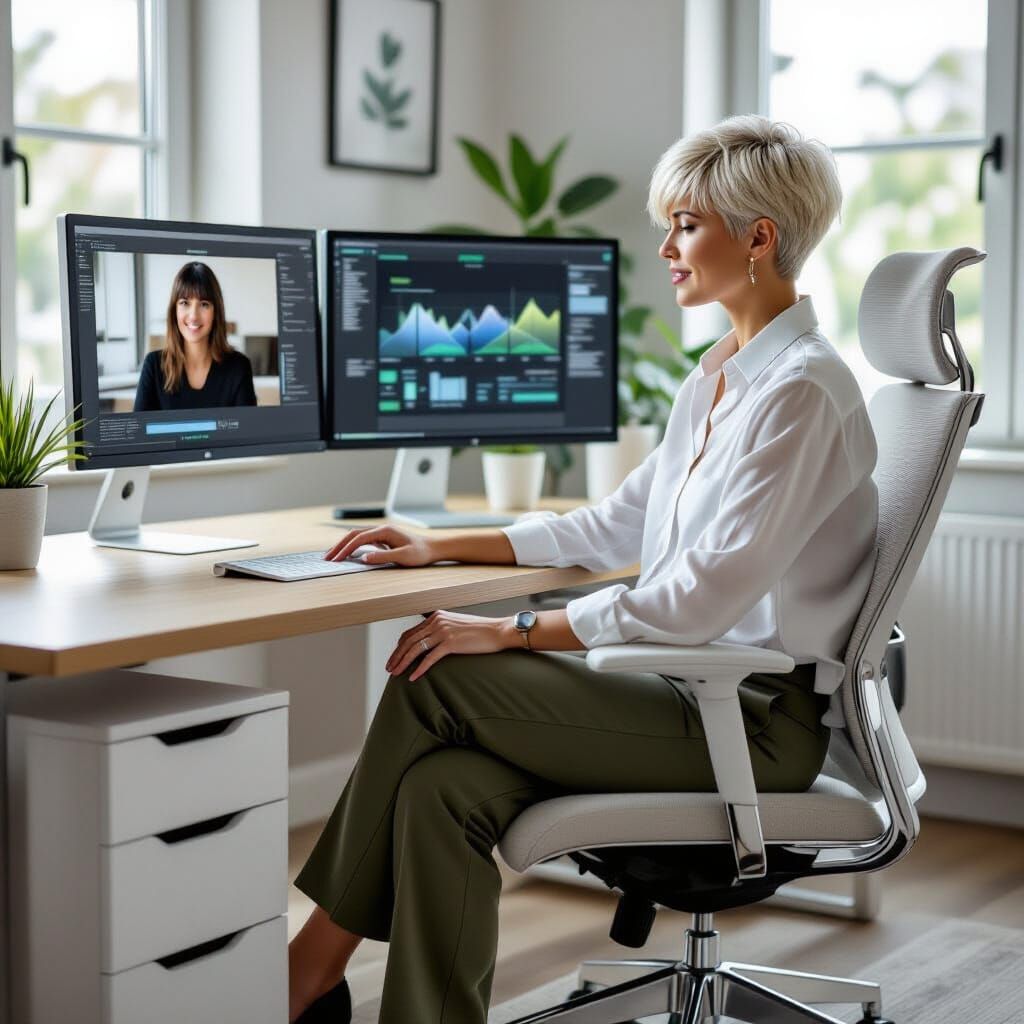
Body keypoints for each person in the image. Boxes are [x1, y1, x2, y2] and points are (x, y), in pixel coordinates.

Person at [286, 114, 879, 1024]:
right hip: (684, 697)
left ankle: (301, 974)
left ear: (758, 236)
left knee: (431, 676)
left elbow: (692, 601)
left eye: (686, 223)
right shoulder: (722, 373)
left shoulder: (801, 391)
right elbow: (615, 525)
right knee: (443, 791)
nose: (666, 245)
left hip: (754, 726)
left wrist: (509, 629)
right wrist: (441, 542)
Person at [132, 261, 257, 411]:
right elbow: (139, 433)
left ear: (215, 311)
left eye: (204, 304)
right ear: (174, 310)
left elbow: (247, 432)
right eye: (185, 303)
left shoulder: (239, 367)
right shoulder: (154, 366)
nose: (193, 316)